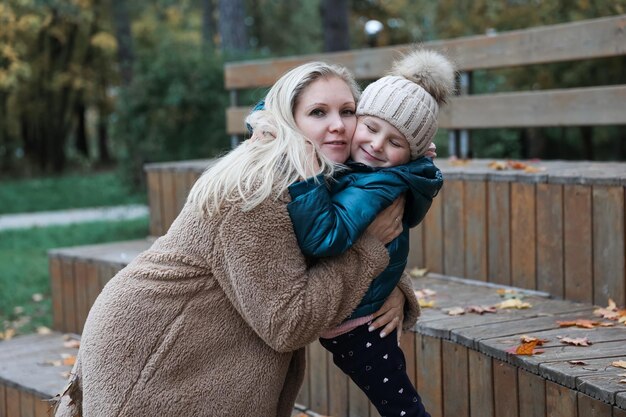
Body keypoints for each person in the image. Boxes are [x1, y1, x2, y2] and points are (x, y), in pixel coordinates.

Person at [53, 60, 420, 417]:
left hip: (202, 351)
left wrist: (392, 284)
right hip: (154, 353)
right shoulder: (254, 192)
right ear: (287, 121)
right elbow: (288, 322)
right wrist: (369, 252)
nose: (338, 125)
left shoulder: (318, 174)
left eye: (348, 111)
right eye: (318, 112)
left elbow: (334, 236)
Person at [283, 49, 455, 417]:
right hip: (361, 306)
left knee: (401, 406)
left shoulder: (375, 186)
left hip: (357, 321)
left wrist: (307, 177)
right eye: (371, 128)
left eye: (394, 142)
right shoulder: (377, 172)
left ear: (410, 154)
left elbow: (322, 238)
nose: (376, 145)